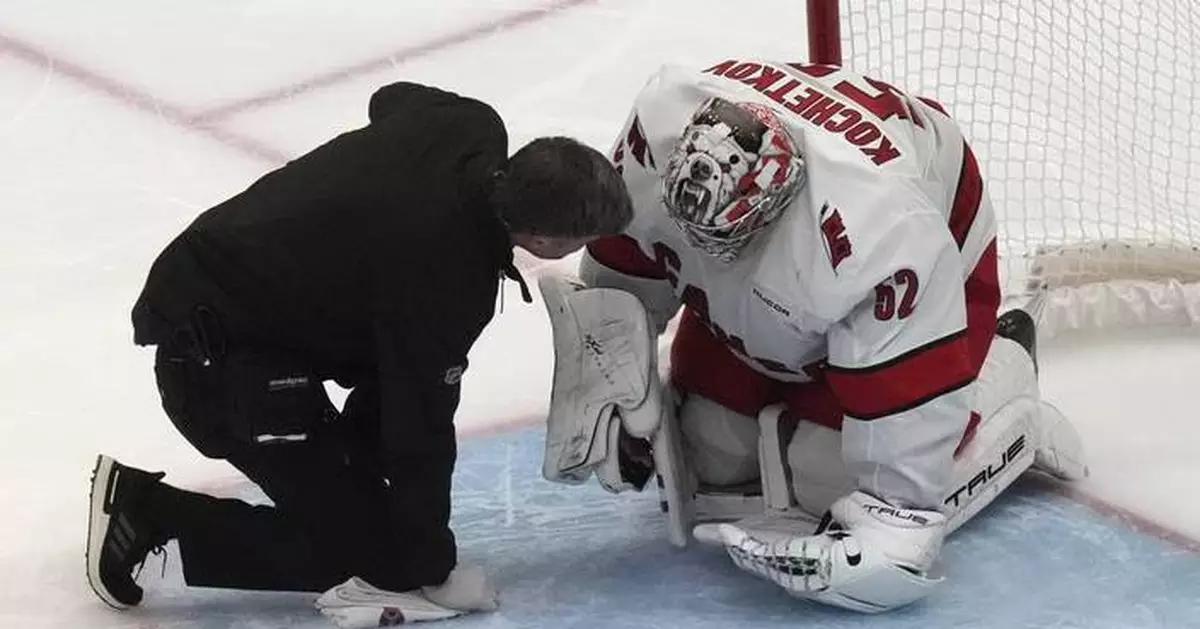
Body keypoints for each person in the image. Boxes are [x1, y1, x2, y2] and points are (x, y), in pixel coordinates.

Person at [535, 58, 1088, 613]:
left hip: (931, 227)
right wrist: (612, 374)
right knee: (713, 456)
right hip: (804, 226)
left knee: (824, 481)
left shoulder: (883, 233)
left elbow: (905, 422)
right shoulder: (655, 141)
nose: (700, 252)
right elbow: (630, 270)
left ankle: (1006, 371)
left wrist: (891, 526)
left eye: (720, 239)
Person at [85, 81, 633, 615]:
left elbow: (390, 98)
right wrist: (432, 571)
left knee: (381, 446)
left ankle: (347, 484)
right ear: (540, 238)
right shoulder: (444, 280)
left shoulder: (466, 126)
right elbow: (419, 428)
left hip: (219, 289)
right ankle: (146, 511)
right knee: (382, 562)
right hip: (214, 367)